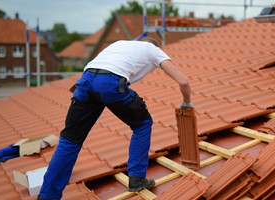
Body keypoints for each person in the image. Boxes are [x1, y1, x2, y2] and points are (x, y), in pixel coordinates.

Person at [37, 37, 193, 200]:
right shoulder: (152, 49)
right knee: (142, 124)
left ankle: (47, 196)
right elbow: (183, 82)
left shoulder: (120, 44)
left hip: (84, 82)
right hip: (109, 83)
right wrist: (187, 103)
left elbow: (97, 69)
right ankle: (137, 179)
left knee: (70, 139)